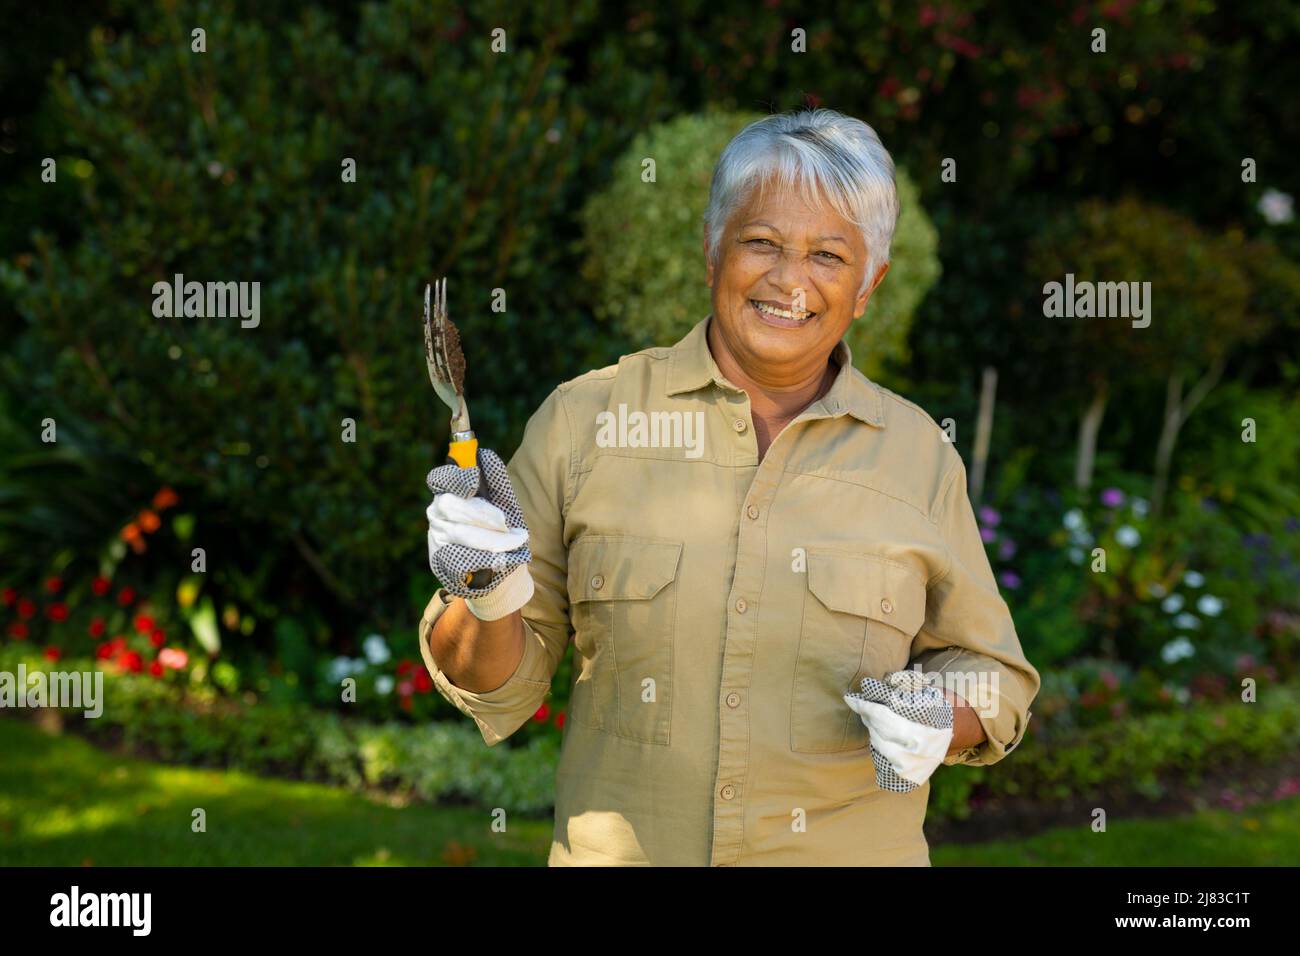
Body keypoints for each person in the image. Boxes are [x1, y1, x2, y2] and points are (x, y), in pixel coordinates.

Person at [420, 107, 1040, 866]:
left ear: (868, 285)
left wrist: (943, 715)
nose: (789, 280)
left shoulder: (918, 456)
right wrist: (482, 590)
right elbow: (500, 688)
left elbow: (995, 676)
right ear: (713, 251)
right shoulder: (587, 421)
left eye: (827, 256)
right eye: (761, 242)